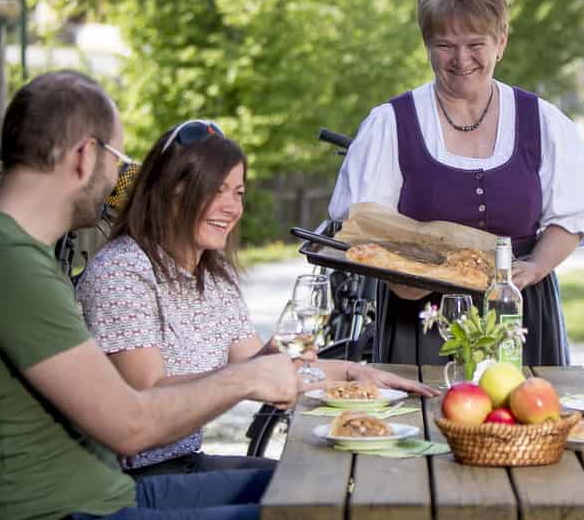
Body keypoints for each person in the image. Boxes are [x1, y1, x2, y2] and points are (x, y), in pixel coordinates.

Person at [0, 71, 326, 520]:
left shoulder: (7, 255)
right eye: (117, 159)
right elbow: (132, 424)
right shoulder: (3, 266)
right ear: (85, 156)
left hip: (88, 504)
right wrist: (246, 378)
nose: (119, 178)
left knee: (312, 497)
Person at [76, 118, 437, 478]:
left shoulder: (214, 276)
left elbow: (254, 363)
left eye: (238, 193)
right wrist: (248, 375)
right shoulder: (123, 272)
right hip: (130, 480)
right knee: (302, 495)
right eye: (214, 190)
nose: (231, 207)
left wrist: (355, 373)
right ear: (169, 191)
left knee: (317, 478)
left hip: (185, 463)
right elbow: (146, 396)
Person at [329, 0, 584, 368]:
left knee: (526, 427)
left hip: (520, 314)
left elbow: (571, 216)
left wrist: (535, 267)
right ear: (426, 45)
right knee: (422, 427)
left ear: (501, 43)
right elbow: (361, 226)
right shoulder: (391, 123)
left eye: (476, 43)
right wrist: (405, 279)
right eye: (445, 45)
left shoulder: (542, 121)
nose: (461, 60)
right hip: (421, 318)